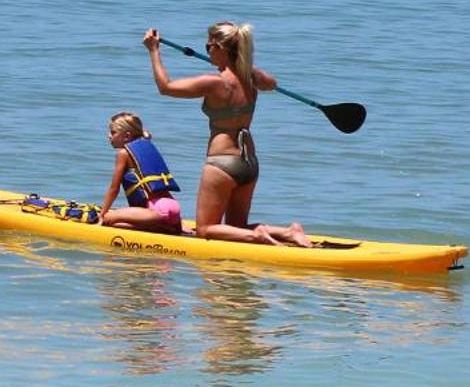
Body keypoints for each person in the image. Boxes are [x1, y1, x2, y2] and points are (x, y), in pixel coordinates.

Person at [143, 22, 310, 247]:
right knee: (235, 229)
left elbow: (166, 87)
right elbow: (272, 84)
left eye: (209, 46)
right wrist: (246, 69)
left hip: (222, 164)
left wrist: (154, 50)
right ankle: (288, 232)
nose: (207, 51)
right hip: (249, 161)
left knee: (204, 230)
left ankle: (258, 235)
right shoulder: (252, 78)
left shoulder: (215, 82)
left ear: (221, 47)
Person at [97, 112, 185, 232]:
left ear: (127, 136)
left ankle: (161, 228)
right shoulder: (146, 145)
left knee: (109, 220)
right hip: (173, 207)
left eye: (113, 132)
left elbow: (114, 188)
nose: (109, 136)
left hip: (156, 211)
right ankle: (170, 225)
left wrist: (102, 215)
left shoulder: (123, 154)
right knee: (118, 218)